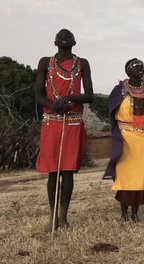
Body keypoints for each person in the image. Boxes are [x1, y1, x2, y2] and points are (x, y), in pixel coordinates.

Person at [35, 29, 94, 231]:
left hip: (72, 122)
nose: (64, 39)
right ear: (55, 42)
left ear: (74, 42)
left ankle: (64, 217)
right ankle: (52, 218)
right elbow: (38, 95)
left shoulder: (82, 63)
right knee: (53, 170)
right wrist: (53, 106)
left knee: (67, 170)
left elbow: (90, 95)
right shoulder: (45, 63)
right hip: (52, 120)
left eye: (68, 37)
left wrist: (69, 99)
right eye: (61, 37)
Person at [103, 58, 144, 222]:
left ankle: (135, 212)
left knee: (140, 176)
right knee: (125, 175)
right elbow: (111, 112)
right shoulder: (118, 90)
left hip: (143, 137)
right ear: (128, 72)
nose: (140, 68)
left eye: (142, 66)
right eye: (136, 66)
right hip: (124, 136)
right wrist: (115, 135)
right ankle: (124, 213)